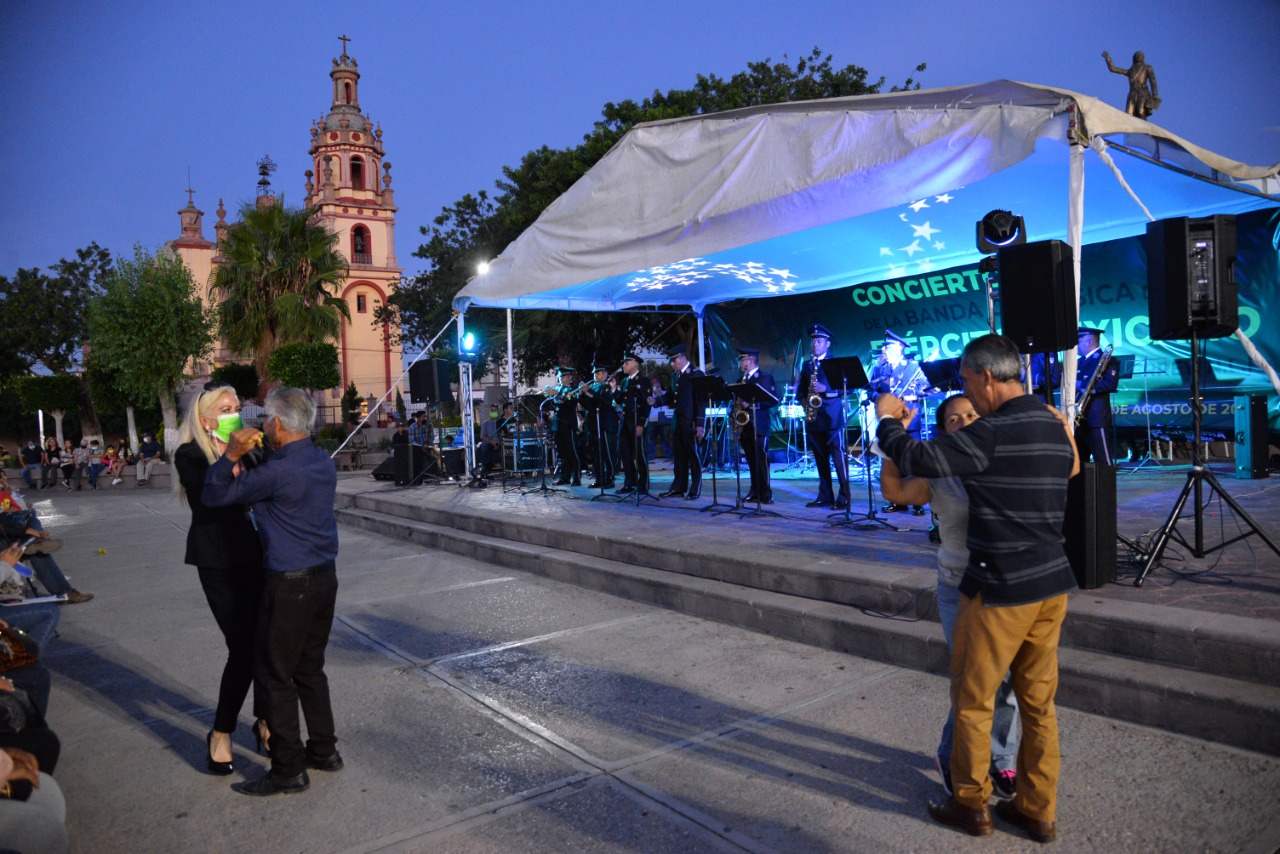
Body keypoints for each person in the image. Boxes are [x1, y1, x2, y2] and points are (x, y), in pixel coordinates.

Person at [876, 333, 1078, 842]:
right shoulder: (1052, 424)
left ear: (986, 377)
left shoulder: (992, 432)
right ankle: (1037, 807)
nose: (965, 389)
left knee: (973, 700)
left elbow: (916, 459)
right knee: (1038, 703)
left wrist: (886, 419)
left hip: (999, 589)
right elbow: (1074, 469)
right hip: (1051, 586)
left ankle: (970, 803)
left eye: (966, 380)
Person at [878, 393, 1020, 800]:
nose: (964, 421)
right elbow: (894, 491)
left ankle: (1001, 758)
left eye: (971, 414)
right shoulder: (940, 475)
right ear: (944, 430)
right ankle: (951, 754)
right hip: (958, 587)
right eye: (953, 418)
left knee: (1006, 680)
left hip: (1004, 586)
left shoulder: (1004, 461)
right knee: (974, 681)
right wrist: (891, 439)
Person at [203, 386, 342, 796]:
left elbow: (214, 495)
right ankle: (324, 750)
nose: (262, 424)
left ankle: (287, 768)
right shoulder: (320, 460)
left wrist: (229, 455)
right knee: (309, 668)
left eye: (265, 418)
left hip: (290, 585)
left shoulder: (276, 472)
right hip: (324, 579)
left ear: (278, 423)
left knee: (274, 674)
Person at [173, 383, 268, 777]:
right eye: (226, 408)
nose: (234, 413)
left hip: (254, 553)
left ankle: (265, 722)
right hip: (217, 559)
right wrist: (232, 453)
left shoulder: (250, 450)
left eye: (237, 406)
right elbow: (208, 498)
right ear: (206, 418)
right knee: (242, 649)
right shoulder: (190, 454)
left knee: (265, 642)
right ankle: (221, 731)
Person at [869, 330, 929, 515]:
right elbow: (870, 391)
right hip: (890, 421)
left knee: (913, 460)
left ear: (900, 349)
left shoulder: (913, 367)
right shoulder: (880, 369)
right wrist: (882, 398)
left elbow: (925, 388)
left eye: (889, 347)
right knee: (894, 460)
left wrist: (912, 394)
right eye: (885, 347)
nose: (885, 350)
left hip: (909, 420)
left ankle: (918, 502)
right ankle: (898, 501)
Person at [798, 323, 850, 509]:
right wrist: (805, 404)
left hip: (832, 419)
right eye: (813, 341)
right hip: (814, 419)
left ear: (827, 344)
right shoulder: (806, 365)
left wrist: (826, 389)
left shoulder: (835, 363)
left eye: (819, 341)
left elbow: (848, 389)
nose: (815, 344)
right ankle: (825, 496)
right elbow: (801, 391)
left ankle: (844, 496)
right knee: (820, 461)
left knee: (838, 459)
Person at [661, 345, 705, 500]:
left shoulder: (696, 373)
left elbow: (701, 400)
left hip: (690, 421)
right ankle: (678, 487)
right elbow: (671, 396)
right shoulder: (675, 376)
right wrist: (657, 400)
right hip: (677, 420)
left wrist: (700, 424)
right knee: (678, 456)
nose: (672, 364)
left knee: (693, 455)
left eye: (674, 361)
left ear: (683, 358)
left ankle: (695, 488)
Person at [1073, 326, 1120, 467]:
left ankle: (1107, 488)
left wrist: (1081, 386)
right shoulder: (1079, 362)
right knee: (1080, 461)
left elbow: (1110, 384)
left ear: (1089, 341)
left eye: (1079, 342)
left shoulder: (1107, 359)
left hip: (1096, 417)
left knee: (1103, 460)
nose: (1077, 346)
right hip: (1079, 417)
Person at [734, 347, 777, 503]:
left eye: (742, 360)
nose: (740, 363)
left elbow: (772, 400)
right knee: (751, 460)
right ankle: (754, 490)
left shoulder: (764, 378)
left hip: (759, 425)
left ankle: (766, 493)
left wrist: (752, 404)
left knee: (761, 460)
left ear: (749, 361)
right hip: (745, 425)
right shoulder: (740, 380)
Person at [615, 353, 651, 495]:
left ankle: (643, 484)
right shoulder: (624, 382)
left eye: (626, 363)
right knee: (625, 453)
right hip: (625, 420)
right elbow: (620, 401)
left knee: (640, 454)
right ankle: (629, 483)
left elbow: (646, 404)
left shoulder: (643, 380)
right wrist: (613, 390)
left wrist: (641, 424)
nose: (624, 365)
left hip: (636, 420)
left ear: (635, 364)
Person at [579, 364, 618, 489]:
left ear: (605, 374)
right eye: (595, 373)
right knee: (596, 454)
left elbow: (602, 402)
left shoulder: (607, 386)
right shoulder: (595, 386)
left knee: (607, 453)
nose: (596, 376)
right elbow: (589, 405)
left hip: (605, 423)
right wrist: (582, 394)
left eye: (599, 373)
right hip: (593, 424)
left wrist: (588, 391)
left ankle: (610, 478)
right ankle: (599, 478)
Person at [1102, 50, 1159, 119]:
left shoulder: (1147, 68)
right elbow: (1113, 69)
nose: (1138, 57)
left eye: (1140, 55)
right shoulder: (1130, 71)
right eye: (1137, 55)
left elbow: (1153, 81)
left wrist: (1155, 95)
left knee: (1141, 111)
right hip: (1132, 94)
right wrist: (1108, 58)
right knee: (1128, 115)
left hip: (1142, 93)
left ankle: (1142, 128)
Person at [551, 368, 582, 486]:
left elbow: (571, 402)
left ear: (569, 377)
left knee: (573, 451)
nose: (560, 379)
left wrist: (558, 394)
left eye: (563, 377)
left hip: (568, 424)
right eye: (560, 377)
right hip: (559, 425)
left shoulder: (573, 389)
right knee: (562, 452)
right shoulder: (560, 388)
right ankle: (565, 476)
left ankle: (577, 478)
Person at [408, 409, 435, 484]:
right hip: (417, 449)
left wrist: (429, 445)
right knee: (418, 466)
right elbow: (411, 440)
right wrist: (422, 446)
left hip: (427, 448)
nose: (425, 418)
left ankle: (430, 477)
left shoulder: (429, 425)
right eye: (423, 417)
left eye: (426, 416)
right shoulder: (412, 426)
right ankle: (417, 481)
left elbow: (432, 437)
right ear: (418, 418)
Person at [477, 403, 502, 474]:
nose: (493, 412)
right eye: (492, 410)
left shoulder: (501, 422)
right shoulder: (485, 423)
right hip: (490, 442)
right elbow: (482, 436)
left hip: (500, 441)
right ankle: (487, 466)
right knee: (483, 445)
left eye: (495, 410)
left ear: (498, 411)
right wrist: (492, 443)